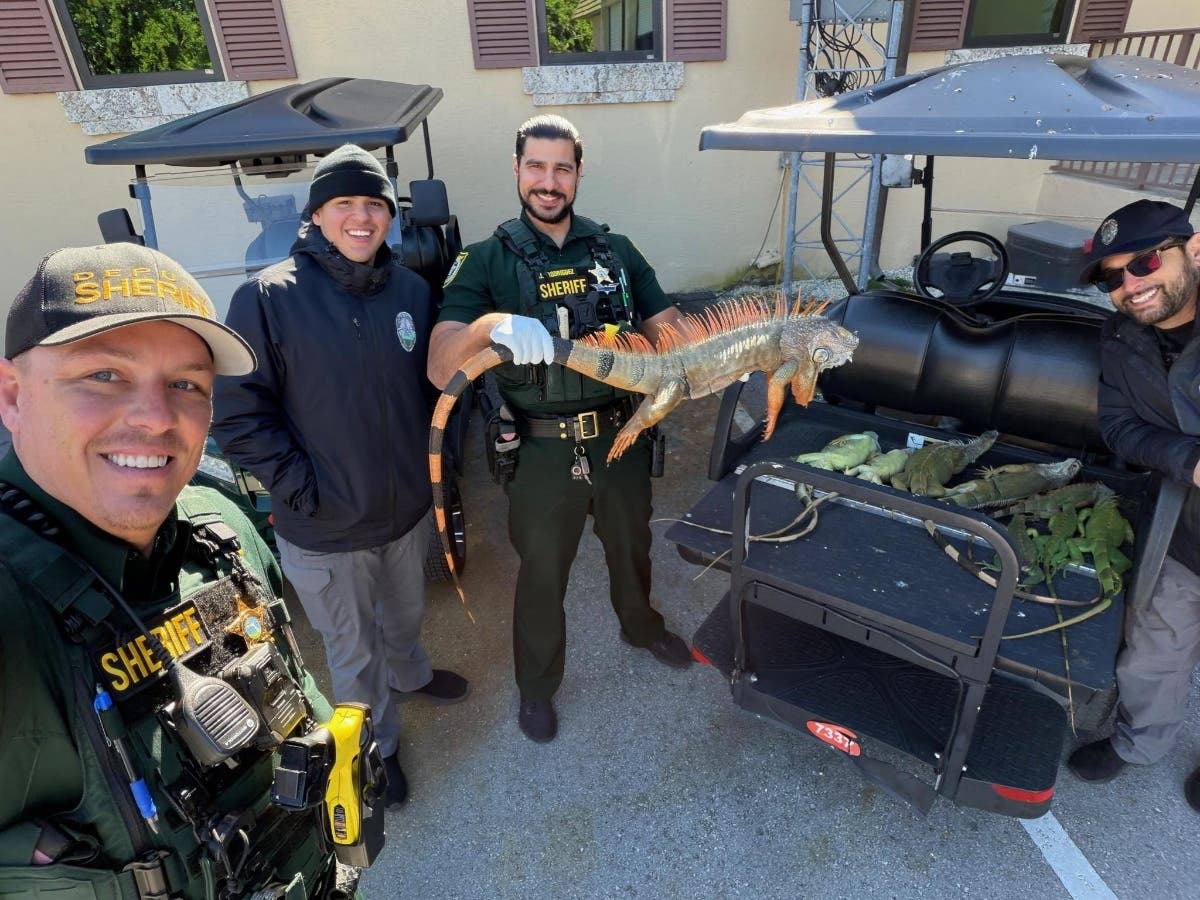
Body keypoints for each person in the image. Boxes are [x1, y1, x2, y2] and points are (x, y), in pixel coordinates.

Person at [0, 244, 353, 897]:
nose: (158, 418)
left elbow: (293, 686)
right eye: (105, 374)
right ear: (12, 394)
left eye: (187, 384)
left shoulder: (221, 527)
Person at [211, 144, 468, 806]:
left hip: (405, 511)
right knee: (353, 654)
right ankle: (378, 748)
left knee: (406, 617)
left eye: (374, 203)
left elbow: (433, 391)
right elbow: (237, 417)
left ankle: (412, 676)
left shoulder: (411, 292)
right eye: (345, 203)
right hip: (325, 529)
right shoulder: (267, 298)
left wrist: (435, 465)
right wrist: (307, 491)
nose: (362, 216)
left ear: (390, 216)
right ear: (318, 215)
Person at [427, 114, 692, 745]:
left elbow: (672, 334)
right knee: (543, 573)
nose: (549, 182)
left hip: (622, 437)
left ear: (578, 173)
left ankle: (641, 626)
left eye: (562, 169)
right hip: (542, 451)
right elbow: (440, 365)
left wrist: (700, 352)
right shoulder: (483, 259)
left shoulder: (617, 251)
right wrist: (489, 325)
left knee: (632, 547)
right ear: (517, 169)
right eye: (536, 167)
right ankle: (538, 686)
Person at [1069, 199, 1200, 809]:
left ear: (1193, 250)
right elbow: (1120, 427)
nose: (1130, 285)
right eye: (1112, 278)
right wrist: (1190, 461)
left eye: (1144, 263)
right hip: (1182, 526)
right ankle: (1138, 744)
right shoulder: (1122, 338)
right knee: (1153, 649)